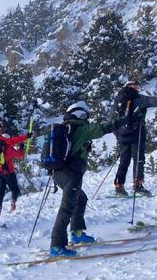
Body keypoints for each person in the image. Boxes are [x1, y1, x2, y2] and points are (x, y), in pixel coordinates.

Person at [49, 101, 116, 257]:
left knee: (81, 199)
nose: (87, 118)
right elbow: (103, 128)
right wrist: (127, 119)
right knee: (66, 208)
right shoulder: (80, 128)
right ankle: (57, 246)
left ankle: (77, 233)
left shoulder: (66, 128)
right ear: (81, 114)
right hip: (71, 175)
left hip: (59, 174)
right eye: (86, 115)